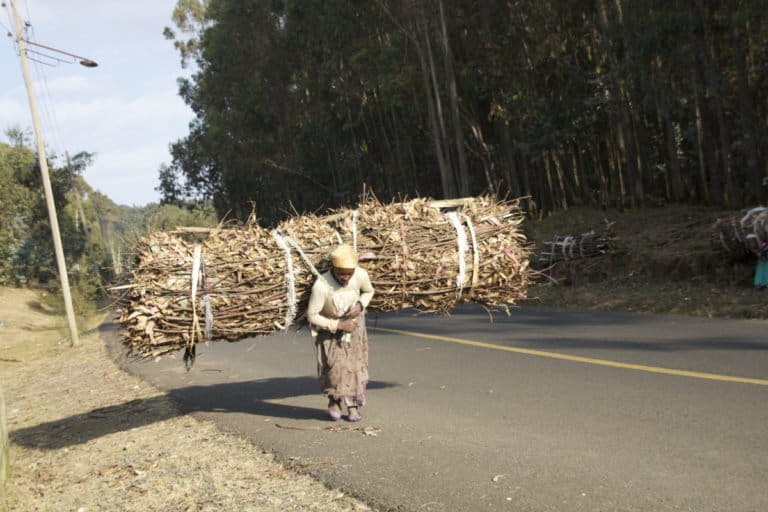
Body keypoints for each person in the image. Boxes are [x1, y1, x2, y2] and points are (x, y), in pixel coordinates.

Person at [307, 244, 374, 422]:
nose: (345, 278)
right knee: (334, 368)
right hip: (330, 332)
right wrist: (337, 325)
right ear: (333, 269)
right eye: (341, 273)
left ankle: (352, 405)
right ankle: (334, 400)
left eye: (349, 274)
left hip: (354, 328)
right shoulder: (322, 285)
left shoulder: (360, 275)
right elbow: (312, 315)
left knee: (354, 366)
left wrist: (360, 305)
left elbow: (368, 291)